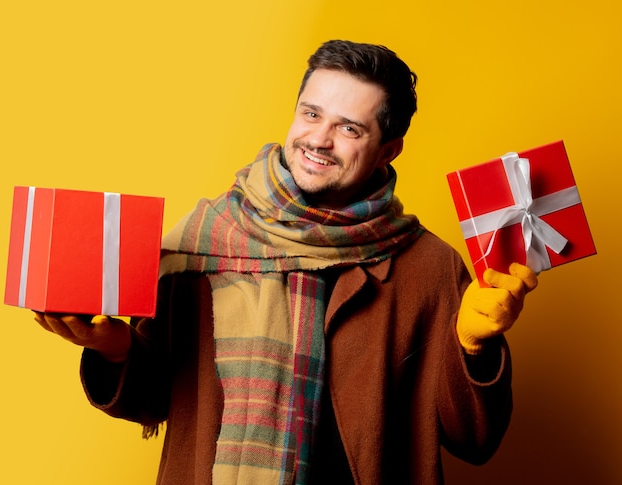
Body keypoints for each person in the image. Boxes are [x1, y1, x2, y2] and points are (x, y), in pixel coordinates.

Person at [34, 40, 538, 485]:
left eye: (349, 129)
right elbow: (152, 398)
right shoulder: (202, 239)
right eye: (311, 114)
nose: (319, 140)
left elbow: (473, 438)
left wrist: (476, 347)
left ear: (390, 149)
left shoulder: (427, 267)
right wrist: (117, 351)